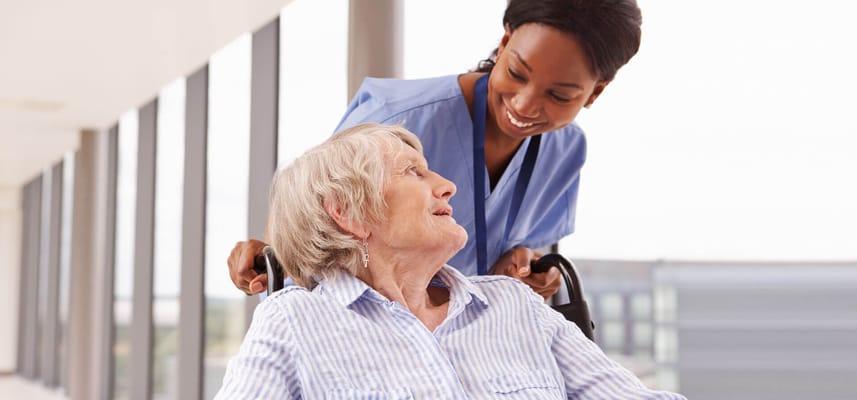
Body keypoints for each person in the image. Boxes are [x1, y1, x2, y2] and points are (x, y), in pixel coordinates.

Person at [214, 123, 685, 399]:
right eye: (414, 173)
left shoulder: (513, 306)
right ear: (348, 212)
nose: (446, 185)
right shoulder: (295, 321)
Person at [228, 0, 644, 299]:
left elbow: (529, 245)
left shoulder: (565, 151)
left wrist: (524, 266)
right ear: (504, 41)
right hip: (366, 336)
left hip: (468, 344)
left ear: (595, 92)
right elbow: (306, 227)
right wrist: (269, 255)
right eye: (517, 73)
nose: (524, 105)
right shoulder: (399, 116)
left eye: (559, 95)